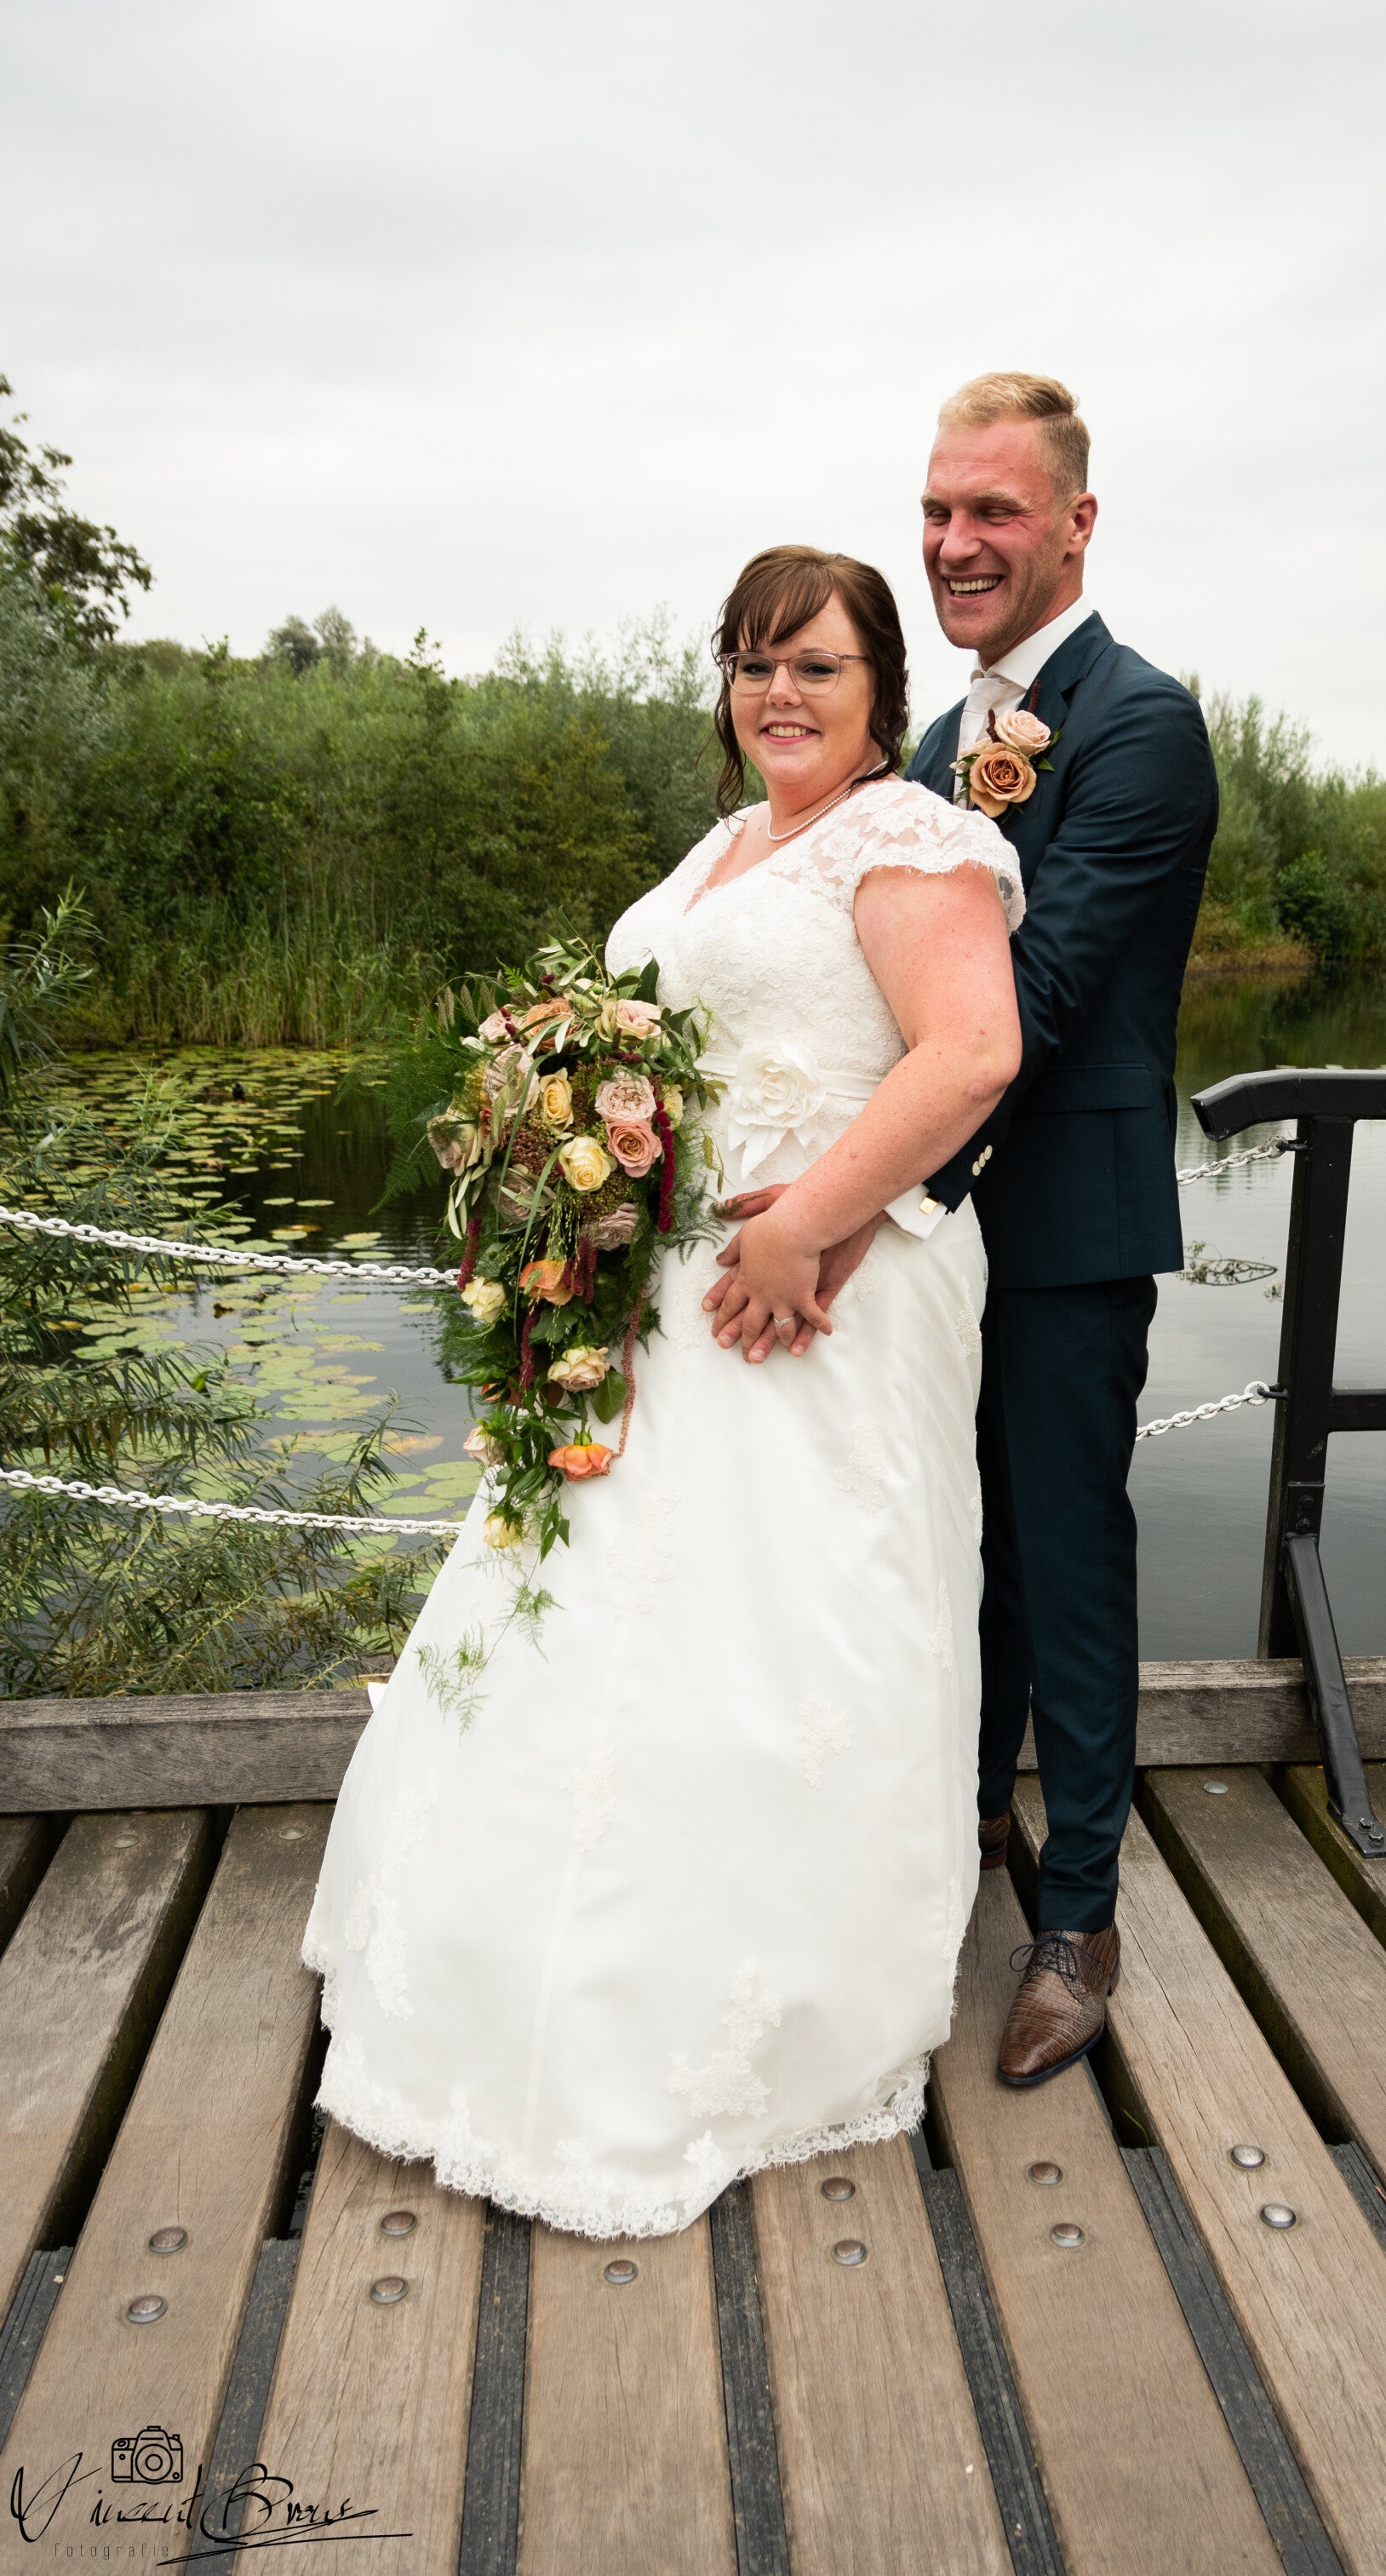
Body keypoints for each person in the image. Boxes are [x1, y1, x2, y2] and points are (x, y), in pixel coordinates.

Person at [301, 545, 1022, 2238]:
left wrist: (810, 1223)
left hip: (822, 1291)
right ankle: (505, 1954)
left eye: (819, 665)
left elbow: (973, 1052)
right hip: (674, 1287)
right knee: (595, 1600)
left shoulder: (909, 839)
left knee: (776, 1618)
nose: (781, 692)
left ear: (882, 691)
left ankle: (742, 2004)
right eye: (755, 662)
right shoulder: (731, 844)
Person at [908, 372, 1217, 2085]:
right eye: (938, 510)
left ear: (1077, 522)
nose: (956, 542)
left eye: (994, 511)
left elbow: (1032, 991)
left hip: (1064, 1225)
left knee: (1065, 1557)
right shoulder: (942, 742)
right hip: (934, 1228)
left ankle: (1079, 1915)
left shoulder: (1140, 724)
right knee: (957, 1544)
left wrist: (846, 1167)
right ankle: (958, 1817)